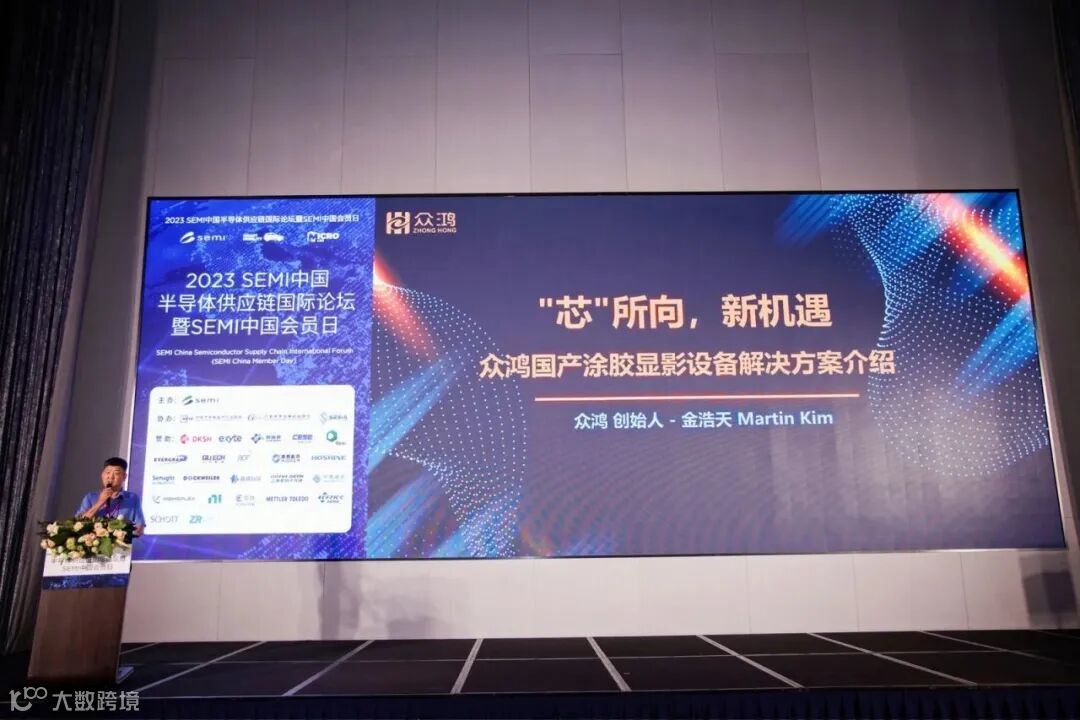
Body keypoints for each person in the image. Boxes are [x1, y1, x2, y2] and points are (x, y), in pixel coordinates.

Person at [77, 457, 145, 536]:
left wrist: (121, 537)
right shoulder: (90, 497)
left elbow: (139, 528)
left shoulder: (133, 498)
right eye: (107, 472)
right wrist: (99, 502)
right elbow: (78, 524)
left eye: (116, 473)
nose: (111, 477)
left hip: (122, 542)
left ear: (124, 476)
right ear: (102, 475)